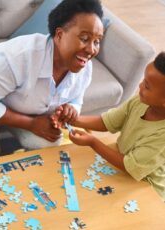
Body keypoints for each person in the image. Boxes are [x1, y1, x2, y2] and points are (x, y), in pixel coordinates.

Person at [0, 0, 104, 160]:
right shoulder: (19, 57)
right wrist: (31, 124)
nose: (91, 50)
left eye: (97, 41)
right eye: (84, 38)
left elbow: (76, 99)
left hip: (18, 106)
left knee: (50, 143)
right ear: (60, 35)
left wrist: (71, 109)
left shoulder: (84, 66)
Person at [61, 52, 165, 201]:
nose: (140, 85)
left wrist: (93, 142)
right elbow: (108, 122)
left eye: (147, 86)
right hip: (120, 165)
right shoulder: (139, 102)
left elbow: (131, 167)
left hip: (146, 188)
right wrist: (71, 119)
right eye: (143, 80)